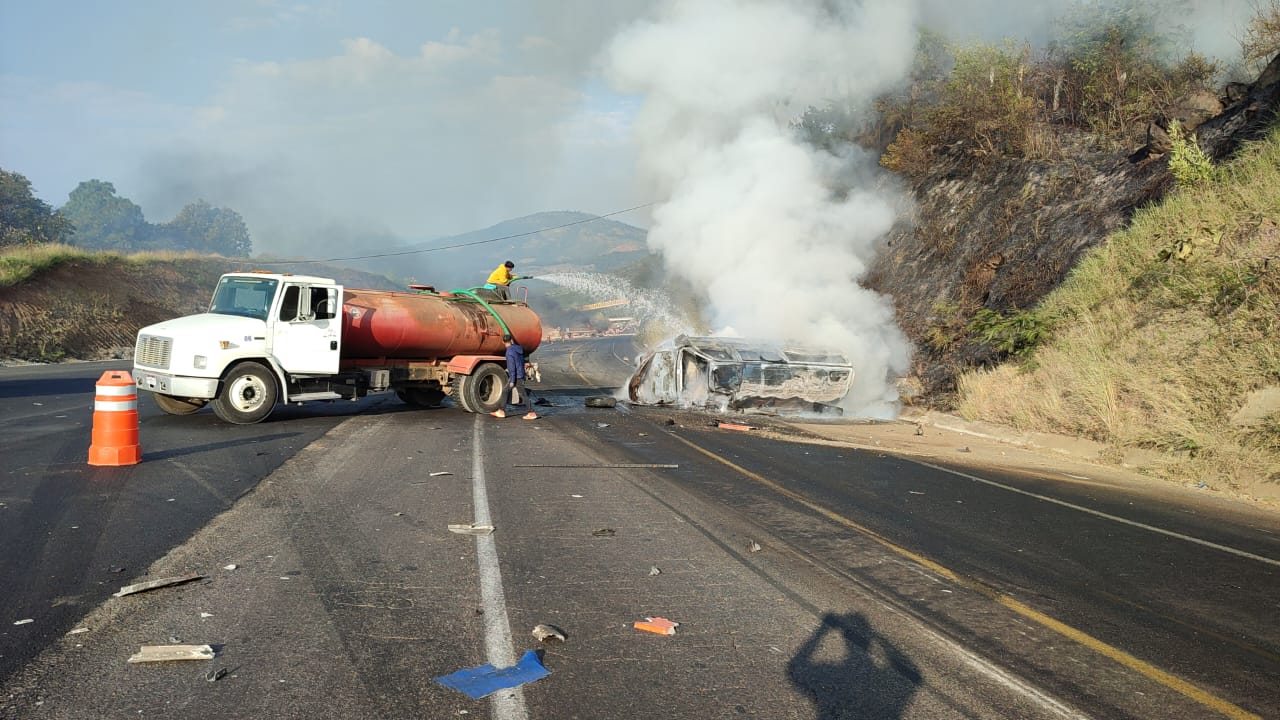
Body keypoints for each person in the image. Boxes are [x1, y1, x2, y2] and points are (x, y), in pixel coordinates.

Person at [491, 334, 537, 419]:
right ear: (511, 340)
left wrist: (512, 380)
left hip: (516, 376)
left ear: (503, 342)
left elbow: (512, 367)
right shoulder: (518, 349)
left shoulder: (509, 352)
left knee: (521, 394)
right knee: (506, 391)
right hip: (520, 374)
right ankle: (501, 411)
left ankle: (531, 412)